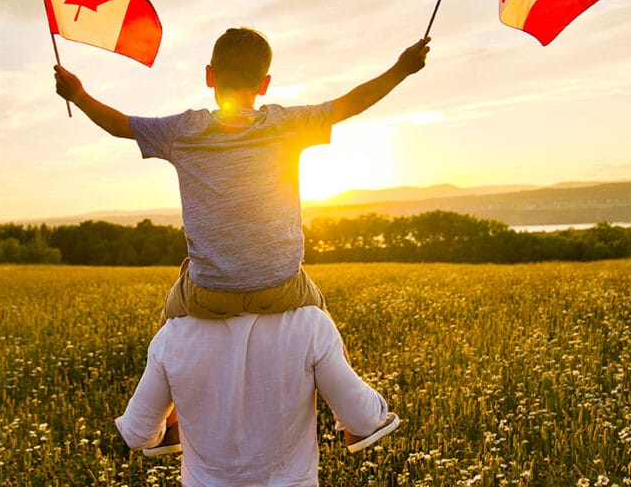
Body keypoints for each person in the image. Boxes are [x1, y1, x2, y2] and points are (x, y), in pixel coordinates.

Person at [55, 28, 428, 449]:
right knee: (319, 315)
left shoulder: (182, 130)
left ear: (210, 76)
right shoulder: (287, 124)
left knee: (171, 317)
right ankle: (356, 422)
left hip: (208, 293)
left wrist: (79, 94)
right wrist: (401, 69)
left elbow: (118, 125)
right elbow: (350, 104)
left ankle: (168, 424)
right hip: (281, 287)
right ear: (265, 84)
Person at [114, 306, 400, 486]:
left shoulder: (172, 334)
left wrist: (167, 421)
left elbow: (137, 435)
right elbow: (364, 421)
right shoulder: (310, 323)